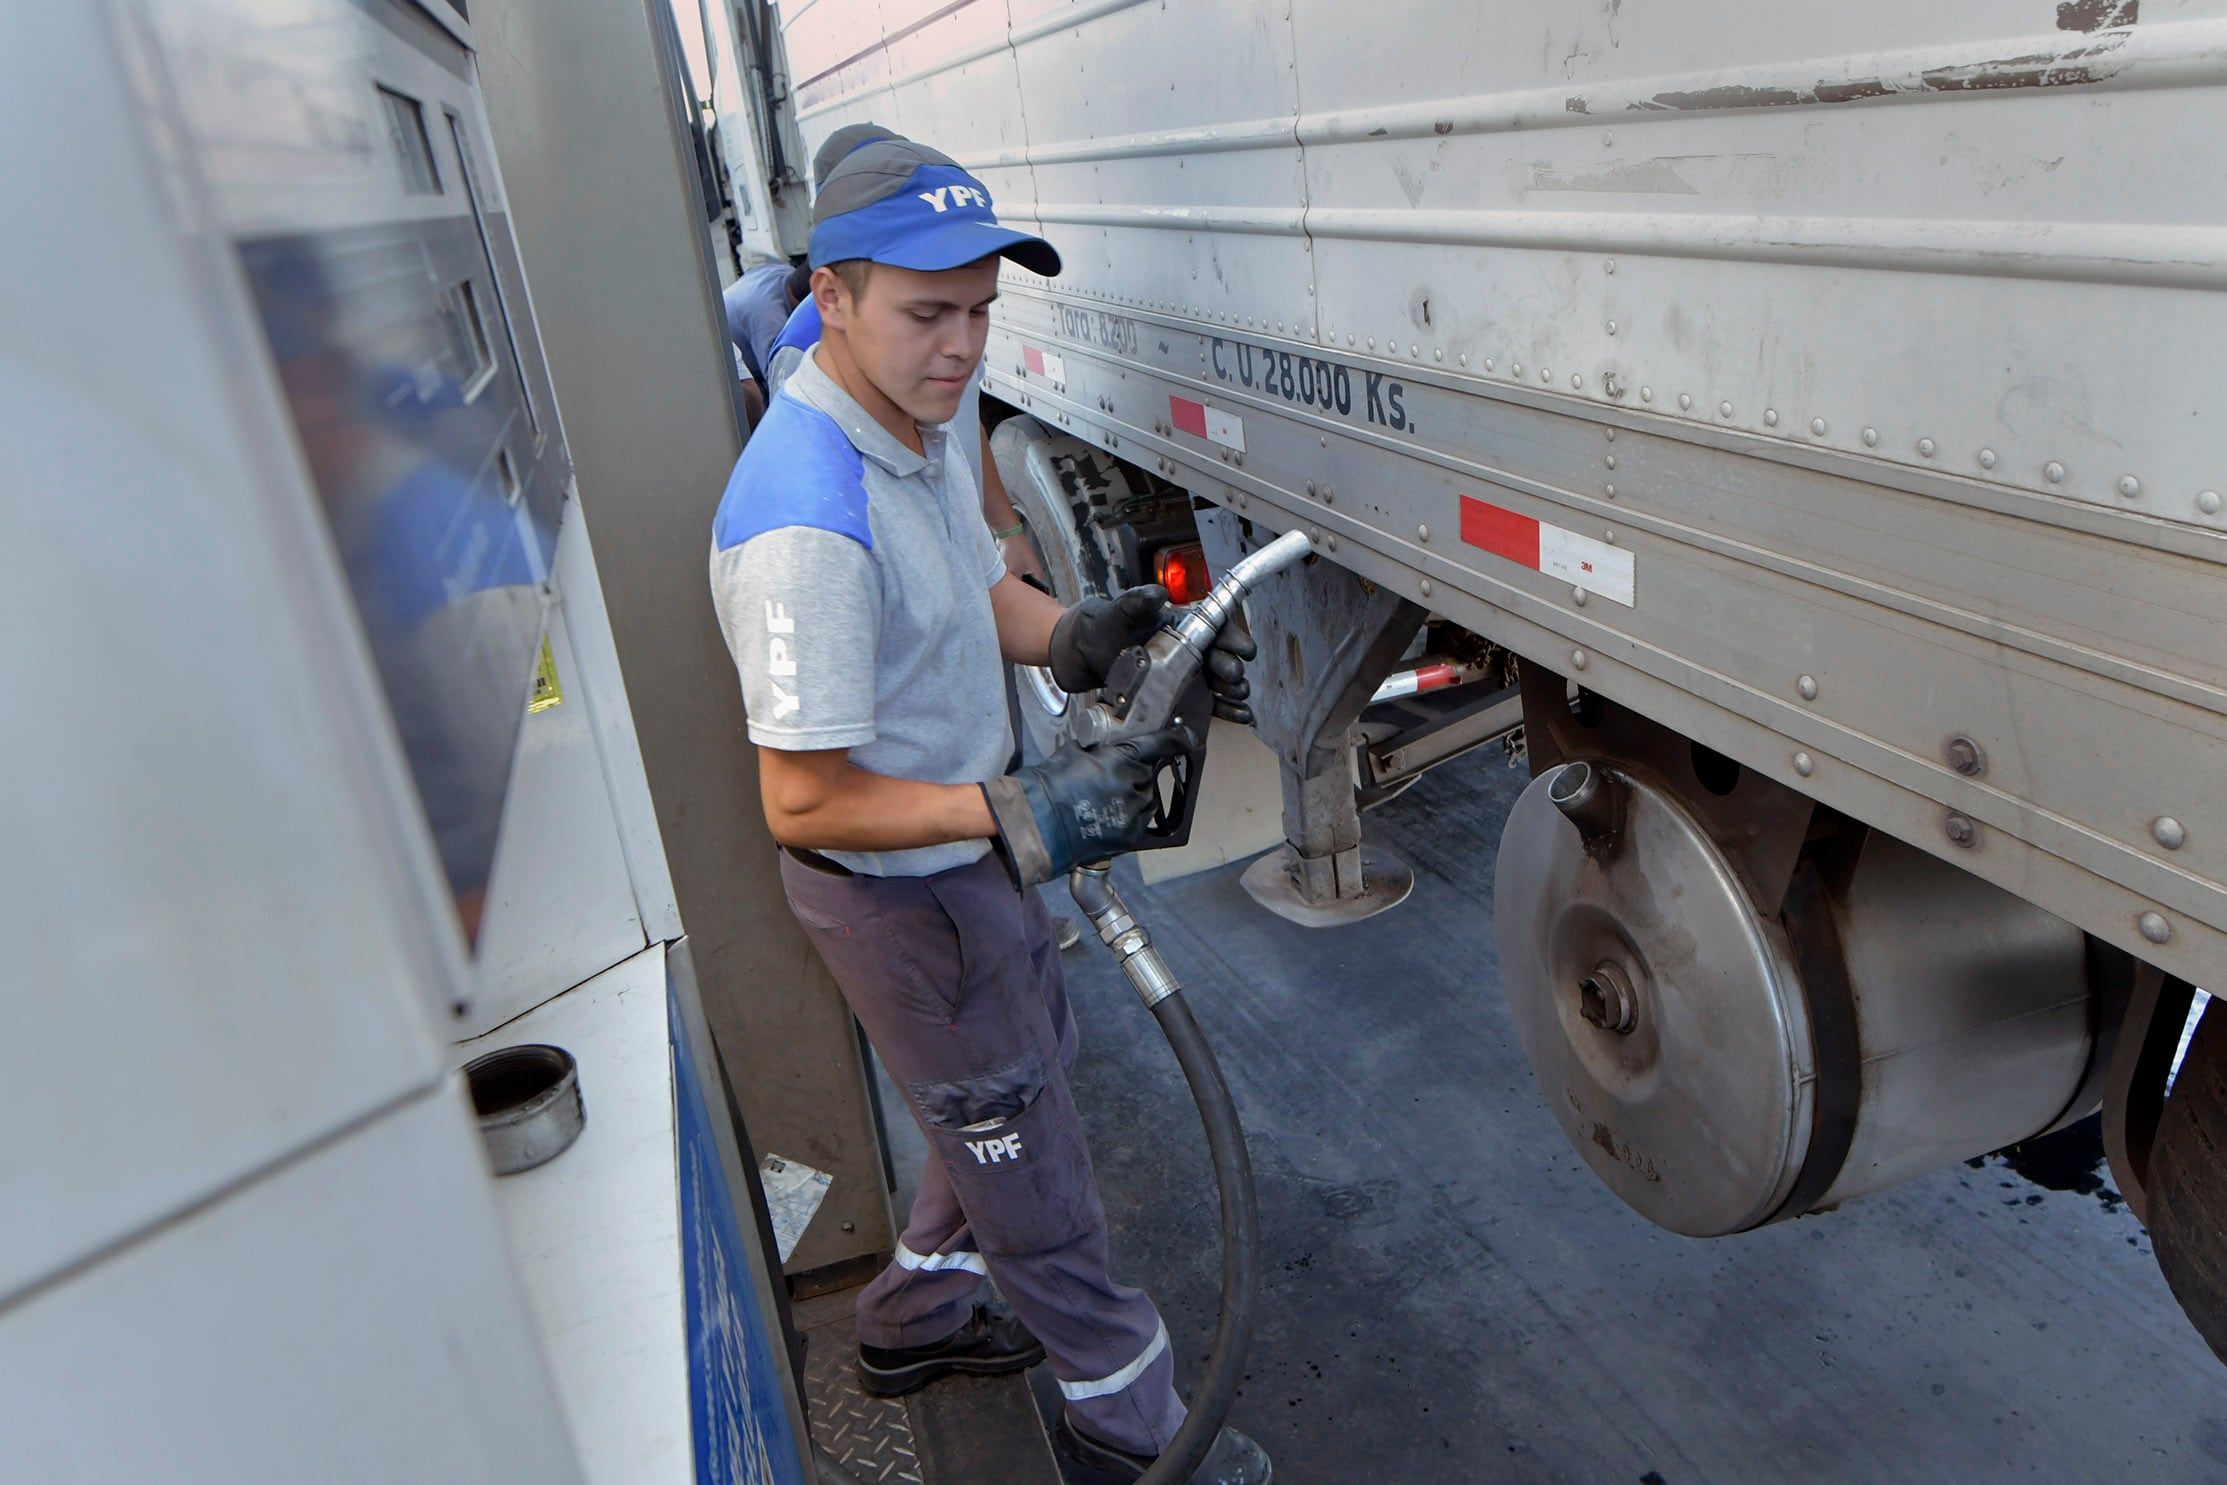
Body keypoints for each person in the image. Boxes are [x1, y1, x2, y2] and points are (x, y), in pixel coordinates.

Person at [708, 138, 1269, 1483]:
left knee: (997, 1096)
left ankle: (908, 1319)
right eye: (927, 314)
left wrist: (1071, 632)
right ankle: (1135, 1432)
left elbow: (975, 591)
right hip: (903, 897)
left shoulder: (913, 425)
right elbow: (804, 797)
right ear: (830, 296)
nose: (963, 348)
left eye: (979, 312)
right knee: (1036, 1171)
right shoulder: (807, 523)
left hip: (963, 861)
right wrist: (1023, 808)